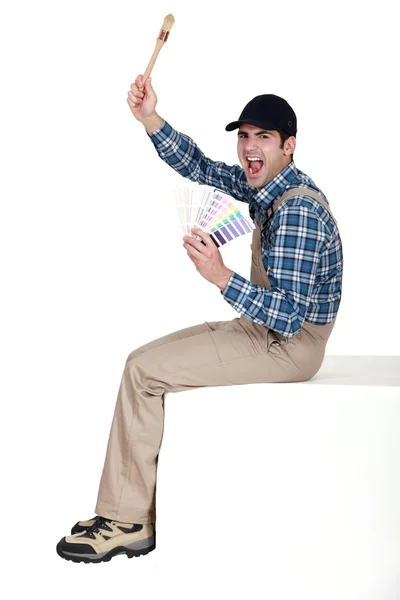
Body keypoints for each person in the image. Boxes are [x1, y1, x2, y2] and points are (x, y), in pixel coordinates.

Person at [56, 74, 343, 563]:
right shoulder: (267, 186)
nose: (249, 148)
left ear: (289, 146)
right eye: (244, 136)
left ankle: (126, 521)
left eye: (264, 138)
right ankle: (126, 512)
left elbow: (292, 318)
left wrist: (220, 276)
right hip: (265, 330)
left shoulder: (296, 210)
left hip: (289, 345)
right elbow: (200, 166)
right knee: (138, 361)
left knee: (145, 374)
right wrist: (150, 117)